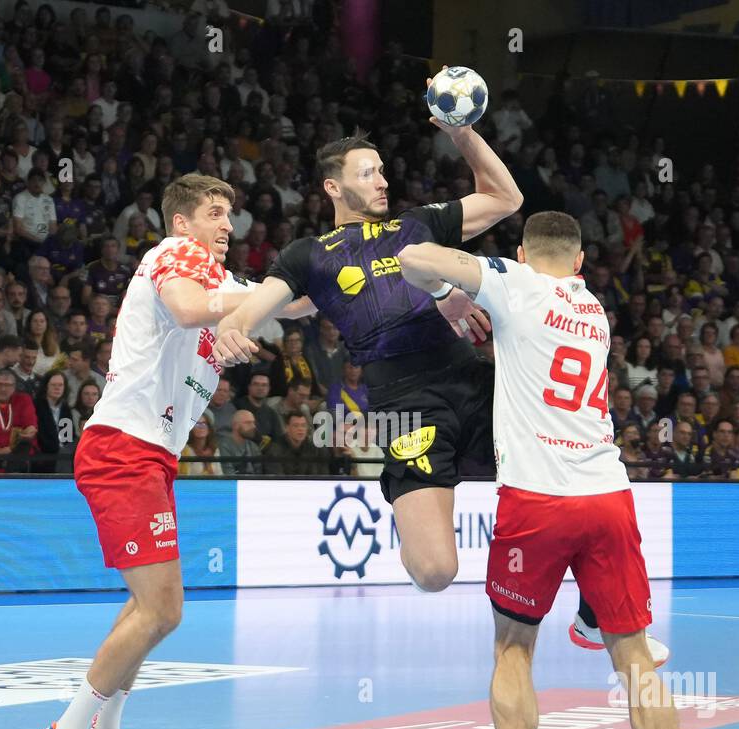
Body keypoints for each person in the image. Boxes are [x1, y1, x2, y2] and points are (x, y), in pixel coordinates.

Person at [395, 210, 714, 729]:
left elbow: (414, 258)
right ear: (577, 263)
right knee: (636, 660)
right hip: (607, 498)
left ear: (519, 250)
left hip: (536, 503)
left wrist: (453, 296)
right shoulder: (592, 308)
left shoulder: (513, 282)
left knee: (513, 649)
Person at [30, 174, 311, 729]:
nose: (225, 226)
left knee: (150, 609)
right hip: (123, 451)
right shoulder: (176, 256)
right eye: (213, 213)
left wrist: (341, 276)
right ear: (181, 222)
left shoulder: (219, 279)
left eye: (230, 215)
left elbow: (290, 304)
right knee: (162, 609)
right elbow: (189, 309)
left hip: (150, 456)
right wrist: (239, 310)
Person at [214, 107, 522, 598]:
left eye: (381, 171)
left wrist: (461, 132)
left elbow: (505, 198)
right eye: (367, 173)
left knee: (566, 469)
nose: (382, 181)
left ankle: (596, 611)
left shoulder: (418, 225)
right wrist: (232, 329)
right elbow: (252, 311)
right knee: (435, 571)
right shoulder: (309, 255)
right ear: (333, 187)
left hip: (471, 380)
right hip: (405, 407)